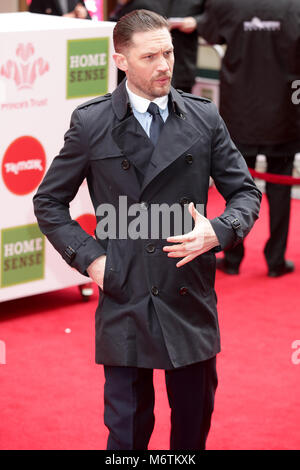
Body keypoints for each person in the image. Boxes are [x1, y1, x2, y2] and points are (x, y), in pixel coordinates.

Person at [33, 9, 261, 450]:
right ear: (120, 60)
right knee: (126, 434)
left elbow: (245, 193)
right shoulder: (91, 122)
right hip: (125, 291)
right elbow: (48, 202)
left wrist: (220, 230)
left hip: (188, 289)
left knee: (192, 429)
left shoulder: (203, 117)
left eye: (169, 53)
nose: (164, 66)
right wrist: (93, 260)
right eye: (150, 56)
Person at [198, 0, 300, 277]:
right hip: (285, 108)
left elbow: (208, 32)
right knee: (279, 186)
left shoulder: (230, 4)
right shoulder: (294, 7)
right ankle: (276, 261)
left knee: (236, 186)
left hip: (241, 108)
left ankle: (233, 257)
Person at [109, 0, 205, 93]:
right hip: (136, 69)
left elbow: (213, 15)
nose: (163, 67)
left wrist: (197, 21)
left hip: (182, 59)